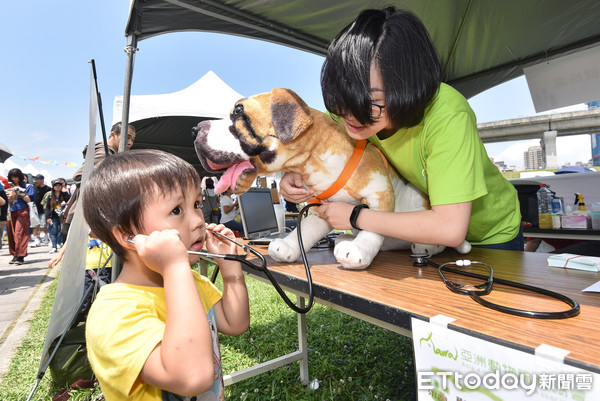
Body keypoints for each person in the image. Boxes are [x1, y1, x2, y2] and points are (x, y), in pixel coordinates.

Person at [280, 7, 523, 251]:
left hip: (490, 235)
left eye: (371, 102)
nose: (351, 115)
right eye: (343, 98)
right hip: (422, 234)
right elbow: (319, 153)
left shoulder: (447, 115)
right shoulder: (351, 112)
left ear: (407, 87)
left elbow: (450, 228)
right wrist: (294, 175)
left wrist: (355, 217)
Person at [82, 149, 250, 400]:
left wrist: (231, 269)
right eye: (176, 210)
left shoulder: (191, 282)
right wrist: (174, 268)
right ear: (128, 235)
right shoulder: (114, 312)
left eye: (196, 205)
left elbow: (235, 324)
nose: (197, 221)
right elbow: (192, 377)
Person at [62, 122, 136, 239]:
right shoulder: (104, 153)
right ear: (113, 134)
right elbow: (80, 176)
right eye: (127, 137)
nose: (130, 142)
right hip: (86, 218)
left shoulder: (110, 153)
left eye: (133, 139)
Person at [6, 168, 36, 265]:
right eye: (11, 177)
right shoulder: (9, 187)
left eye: (15, 177)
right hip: (11, 211)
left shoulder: (28, 186)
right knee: (12, 234)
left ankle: (21, 255)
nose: (13, 179)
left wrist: (19, 192)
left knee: (20, 233)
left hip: (23, 211)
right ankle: (15, 254)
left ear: (20, 177)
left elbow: (29, 200)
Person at [45, 179, 70, 253]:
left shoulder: (64, 194)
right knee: (53, 230)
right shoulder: (50, 195)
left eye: (59, 185)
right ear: (53, 187)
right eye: (56, 185)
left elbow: (70, 202)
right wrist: (48, 217)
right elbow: (47, 207)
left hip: (63, 215)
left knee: (62, 231)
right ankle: (54, 246)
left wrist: (65, 193)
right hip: (53, 216)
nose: (58, 187)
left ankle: (63, 245)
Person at [32, 174, 51, 246]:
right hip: (34, 209)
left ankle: (46, 236)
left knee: (43, 225)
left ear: (42, 180)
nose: (36, 181)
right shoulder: (33, 187)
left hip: (44, 209)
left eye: (37, 179)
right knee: (35, 225)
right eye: (35, 179)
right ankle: (36, 239)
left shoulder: (48, 188)